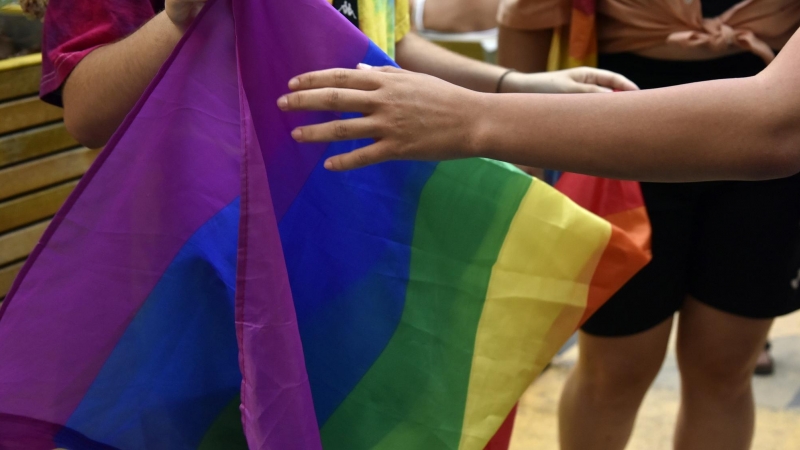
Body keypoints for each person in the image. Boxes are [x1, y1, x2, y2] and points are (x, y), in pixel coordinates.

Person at [492, 2, 800, 449]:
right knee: (616, 366)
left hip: (770, 127)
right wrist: (523, 160)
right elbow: (527, 16)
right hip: (622, 118)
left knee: (726, 366)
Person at [36, 0, 635, 150]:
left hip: (357, 228)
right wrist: (179, 19)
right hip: (209, 249)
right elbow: (89, 114)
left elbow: (384, 43)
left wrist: (512, 84)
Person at [276, 22, 800, 183]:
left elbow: (777, 122)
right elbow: (378, 38)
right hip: (263, 194)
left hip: (354, 197)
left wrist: (477, 114)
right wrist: (512, 83)